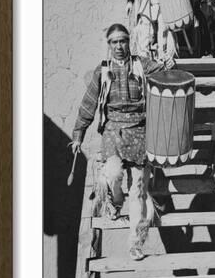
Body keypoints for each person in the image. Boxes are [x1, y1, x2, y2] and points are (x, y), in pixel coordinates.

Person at [71, 23, 174, 261]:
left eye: (123, 41)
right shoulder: (102, 71)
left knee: (138, 190)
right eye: (114, 42)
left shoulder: (141, 64)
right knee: (113, 174)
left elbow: (163, 73)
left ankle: (136, 243)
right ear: (109, 45)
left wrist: (169, 64)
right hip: (112, 131)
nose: (119, 46)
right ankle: (115, 201)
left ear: (129, 42)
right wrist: (78, 135)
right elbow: (88, 105)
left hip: (140, 131)